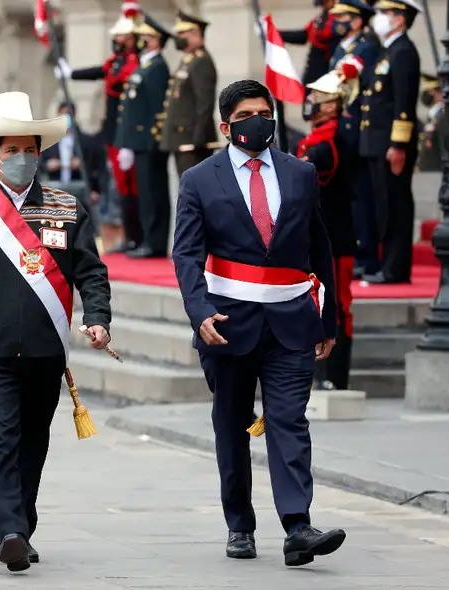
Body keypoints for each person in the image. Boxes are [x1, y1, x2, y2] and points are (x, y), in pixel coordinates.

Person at [0, 91, 112, 572]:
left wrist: (98, 316)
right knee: (1, 441)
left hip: (46, 353)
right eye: (12, 151)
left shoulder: (66, 208)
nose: (22, 159)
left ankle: (21, 524)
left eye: (30, 149)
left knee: (33, 443)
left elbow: (90, 271)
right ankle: (9, 531)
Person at [172, 79, 343, 566]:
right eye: (247, 113)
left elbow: (320, 249)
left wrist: (328, 320)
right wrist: (200, 312)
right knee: (232, 425)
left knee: (289, 420)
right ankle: (239, 525)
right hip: (227, 323)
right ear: (226, 125)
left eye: (265, 112)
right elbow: (186, 254)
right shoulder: (200, 179)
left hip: (292, 321)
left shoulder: (300, 173)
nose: (259, 120)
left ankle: (297, 527)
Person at [56, 3, 141, 253]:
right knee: (120, 187)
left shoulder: (132, 64)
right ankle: (130, 237)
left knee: (130, 187)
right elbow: (99, 71)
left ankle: (137, 236)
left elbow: (115, 80)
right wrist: (71, 73)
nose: (116, 39)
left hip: (127, 135)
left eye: (120, 36)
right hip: (114, 134)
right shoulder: (117, 62)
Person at [299, 71, 358, 390]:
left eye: (316, 97)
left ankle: (335, 376)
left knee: (336, 304)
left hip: (335, 236)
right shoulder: (315, 139)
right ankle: (319, 373)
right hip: (317, 237)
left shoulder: (332, 140)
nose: (309, 102)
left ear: (332, 104)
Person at [359, 0, 422, 285]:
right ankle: (388, 265)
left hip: (391, 145)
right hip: (377, 143)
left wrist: (398, 145)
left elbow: (403, 104)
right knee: (384, 207)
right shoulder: (390, 51)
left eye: (386, 13)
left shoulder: (404, 51)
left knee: (395, 206)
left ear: (400, 19)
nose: (380, 18)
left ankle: (396, 269)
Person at [327, 0, 382, 278]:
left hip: (356, 128)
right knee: (347, 196)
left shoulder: (365, 46)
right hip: (340, 127)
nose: (338, 21)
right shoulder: (342, 46)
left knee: (362, 195)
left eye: (344, 16)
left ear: (359, 20)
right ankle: (353, 251)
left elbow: (349, 75)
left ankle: (368, 254)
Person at [114, 12, 171, 259]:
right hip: (139, 142)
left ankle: (155, 242)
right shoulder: (145, 65)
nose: (139, 41)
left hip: (149, 141)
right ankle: (148, 239)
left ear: (155, 41)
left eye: (144, 37)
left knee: (153, 192)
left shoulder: (157, 67)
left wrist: (149, 140)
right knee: (146, 193)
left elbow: (157, 109)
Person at [161, 12, 218, 180]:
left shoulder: (202, 62)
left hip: (192, 139)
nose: (178, 38)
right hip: (181, 138)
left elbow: (205, 103)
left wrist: (198, 138)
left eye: (182, 34)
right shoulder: (188, 60)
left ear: (196, 35)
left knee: (194, 189)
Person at [38, 102, 106, 208]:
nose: (66, 117)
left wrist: (82, 166)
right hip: (55, 187)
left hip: (78, 188)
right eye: (63, 114)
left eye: (69, 114)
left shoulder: (85, 142)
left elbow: (96, 166)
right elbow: (39, 165)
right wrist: (48, 165)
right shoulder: (48, 142)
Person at [277, 0, 340, 100]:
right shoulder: (320, 18)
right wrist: (275, 33)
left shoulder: (339, 21)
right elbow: (304, 36)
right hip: (314, 71)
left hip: (327, 71)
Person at [417, 73, 444, 172]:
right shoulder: (432, 115)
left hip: (437, 169)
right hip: (428, 169)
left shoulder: (442, 115)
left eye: (429, 91)